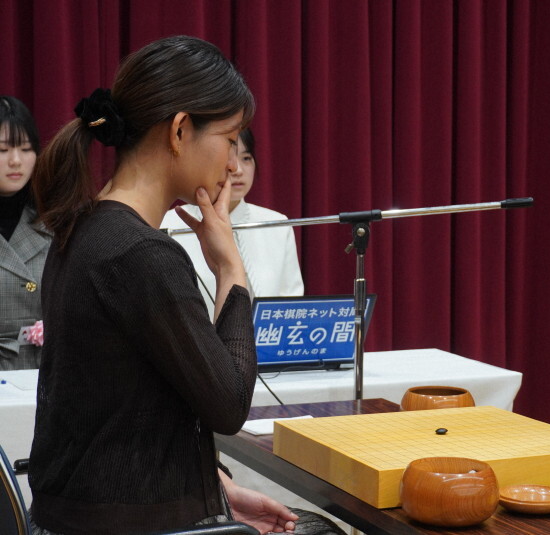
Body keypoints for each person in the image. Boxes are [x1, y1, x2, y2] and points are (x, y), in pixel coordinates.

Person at [28, 35, 343, 535]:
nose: (234, 165)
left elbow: (125, 408)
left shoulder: (85, 228)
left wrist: (215, 486)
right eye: (230, 138)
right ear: (179, 131)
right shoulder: (141, 253)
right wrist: (230, 271)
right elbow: (229, 404)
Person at [161, 127, 304, 319]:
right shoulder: (168, 224)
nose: (237, 169)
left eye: (246, 158)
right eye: (227, 157)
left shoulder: (277, 224)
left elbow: (291, 302)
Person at [0, 95, 51, 370]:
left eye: (26, 148)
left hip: (44, 379)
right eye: (2, 150)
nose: (16, 161)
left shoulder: (56, 222)